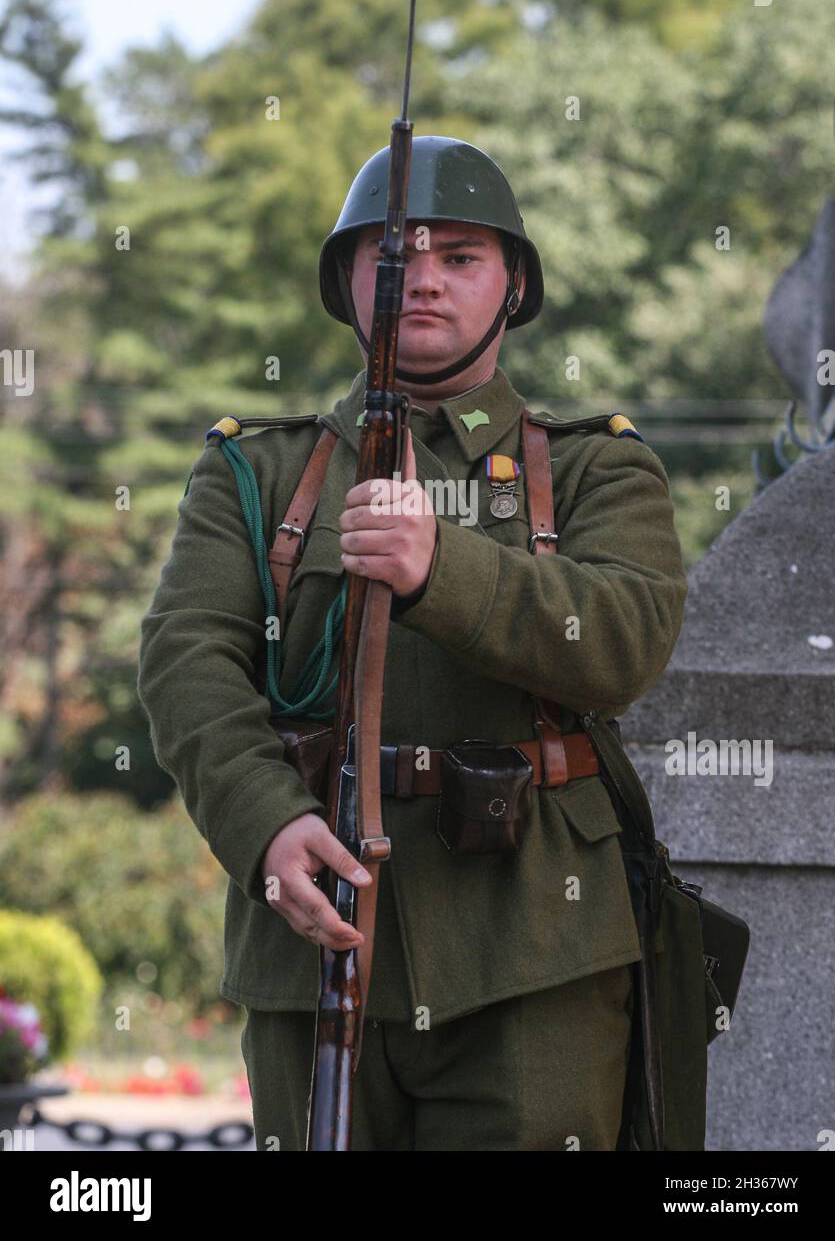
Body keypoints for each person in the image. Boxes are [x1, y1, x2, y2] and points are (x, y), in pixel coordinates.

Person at [138, 135, 688, 1151]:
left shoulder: (593, 471)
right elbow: (186, 663)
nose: (421, 282)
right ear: (344, 282)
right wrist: (264, 823)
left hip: (533, 951)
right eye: (392, 257)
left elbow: (624, 639)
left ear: (512, 284)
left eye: (459, 257)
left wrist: (443, 566)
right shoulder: (254, 474)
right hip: (311, 942)